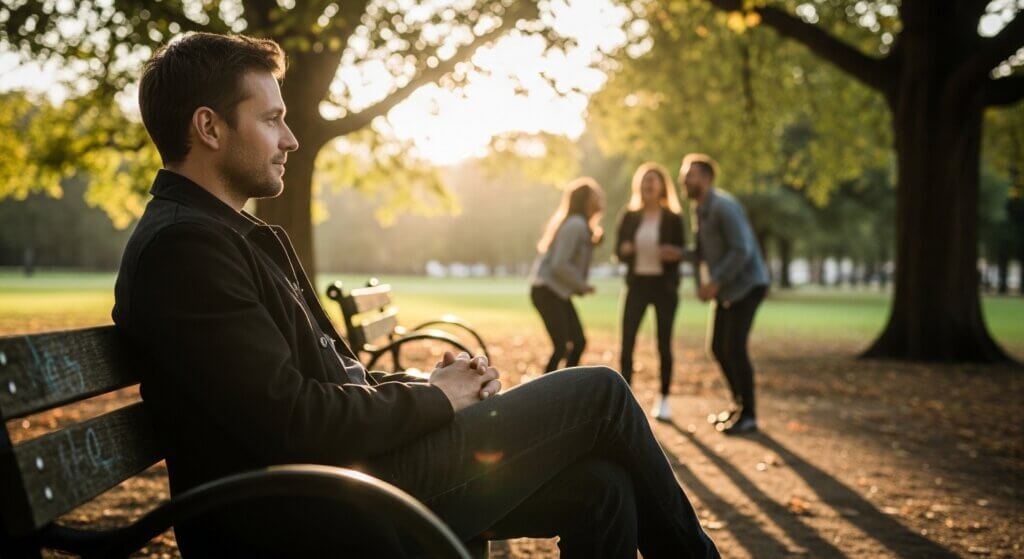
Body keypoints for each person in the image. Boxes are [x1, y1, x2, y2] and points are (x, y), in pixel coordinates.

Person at [112, 33, 719, 558]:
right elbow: (292, 420)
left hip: (341, 480)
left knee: (603, 485)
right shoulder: (184, 250)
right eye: (270, 119)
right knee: (602, 394)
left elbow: (320, 385)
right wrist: (434, 401)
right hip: (304, 511)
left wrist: (434, 391)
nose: (291, 138)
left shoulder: (220, 235)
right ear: (209, 127)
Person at [680, 153, 769, 435]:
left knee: (735, 347)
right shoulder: (700, 209)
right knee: (718, 346)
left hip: (748, 285)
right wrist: (679, 255)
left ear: (706, 179)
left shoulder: (723, 207)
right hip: (727, 288)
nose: (684, 179)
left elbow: (741, 249)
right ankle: (739, 406)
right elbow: (703, 253)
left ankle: (750, 415)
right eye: (684, 174)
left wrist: (716, 282)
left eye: (690, 174)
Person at [614, 162, 685, 420]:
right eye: (645, 181)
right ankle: (625, 400)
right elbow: (618, 251)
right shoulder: (630, 216)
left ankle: (664, 399)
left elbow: (681, 251)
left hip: (664, 287)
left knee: (663, 344)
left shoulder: (673, 218)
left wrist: (672, 254)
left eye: (653, 181)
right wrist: (625, 251)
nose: (649, 185)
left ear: (662, 187)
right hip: (638, 284)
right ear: (639, 186)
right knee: (627, 341)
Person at [529, 177, 604, 373]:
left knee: (577, 342)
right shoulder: (576, 225)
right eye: (596, 195)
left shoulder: (581, 226)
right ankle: (546, 394)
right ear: (586, 200)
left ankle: (565, 389)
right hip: (547, 291)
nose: (601, 197)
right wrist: (581, 285)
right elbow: (559, 264)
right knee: (563, 346)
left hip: (554, 292)